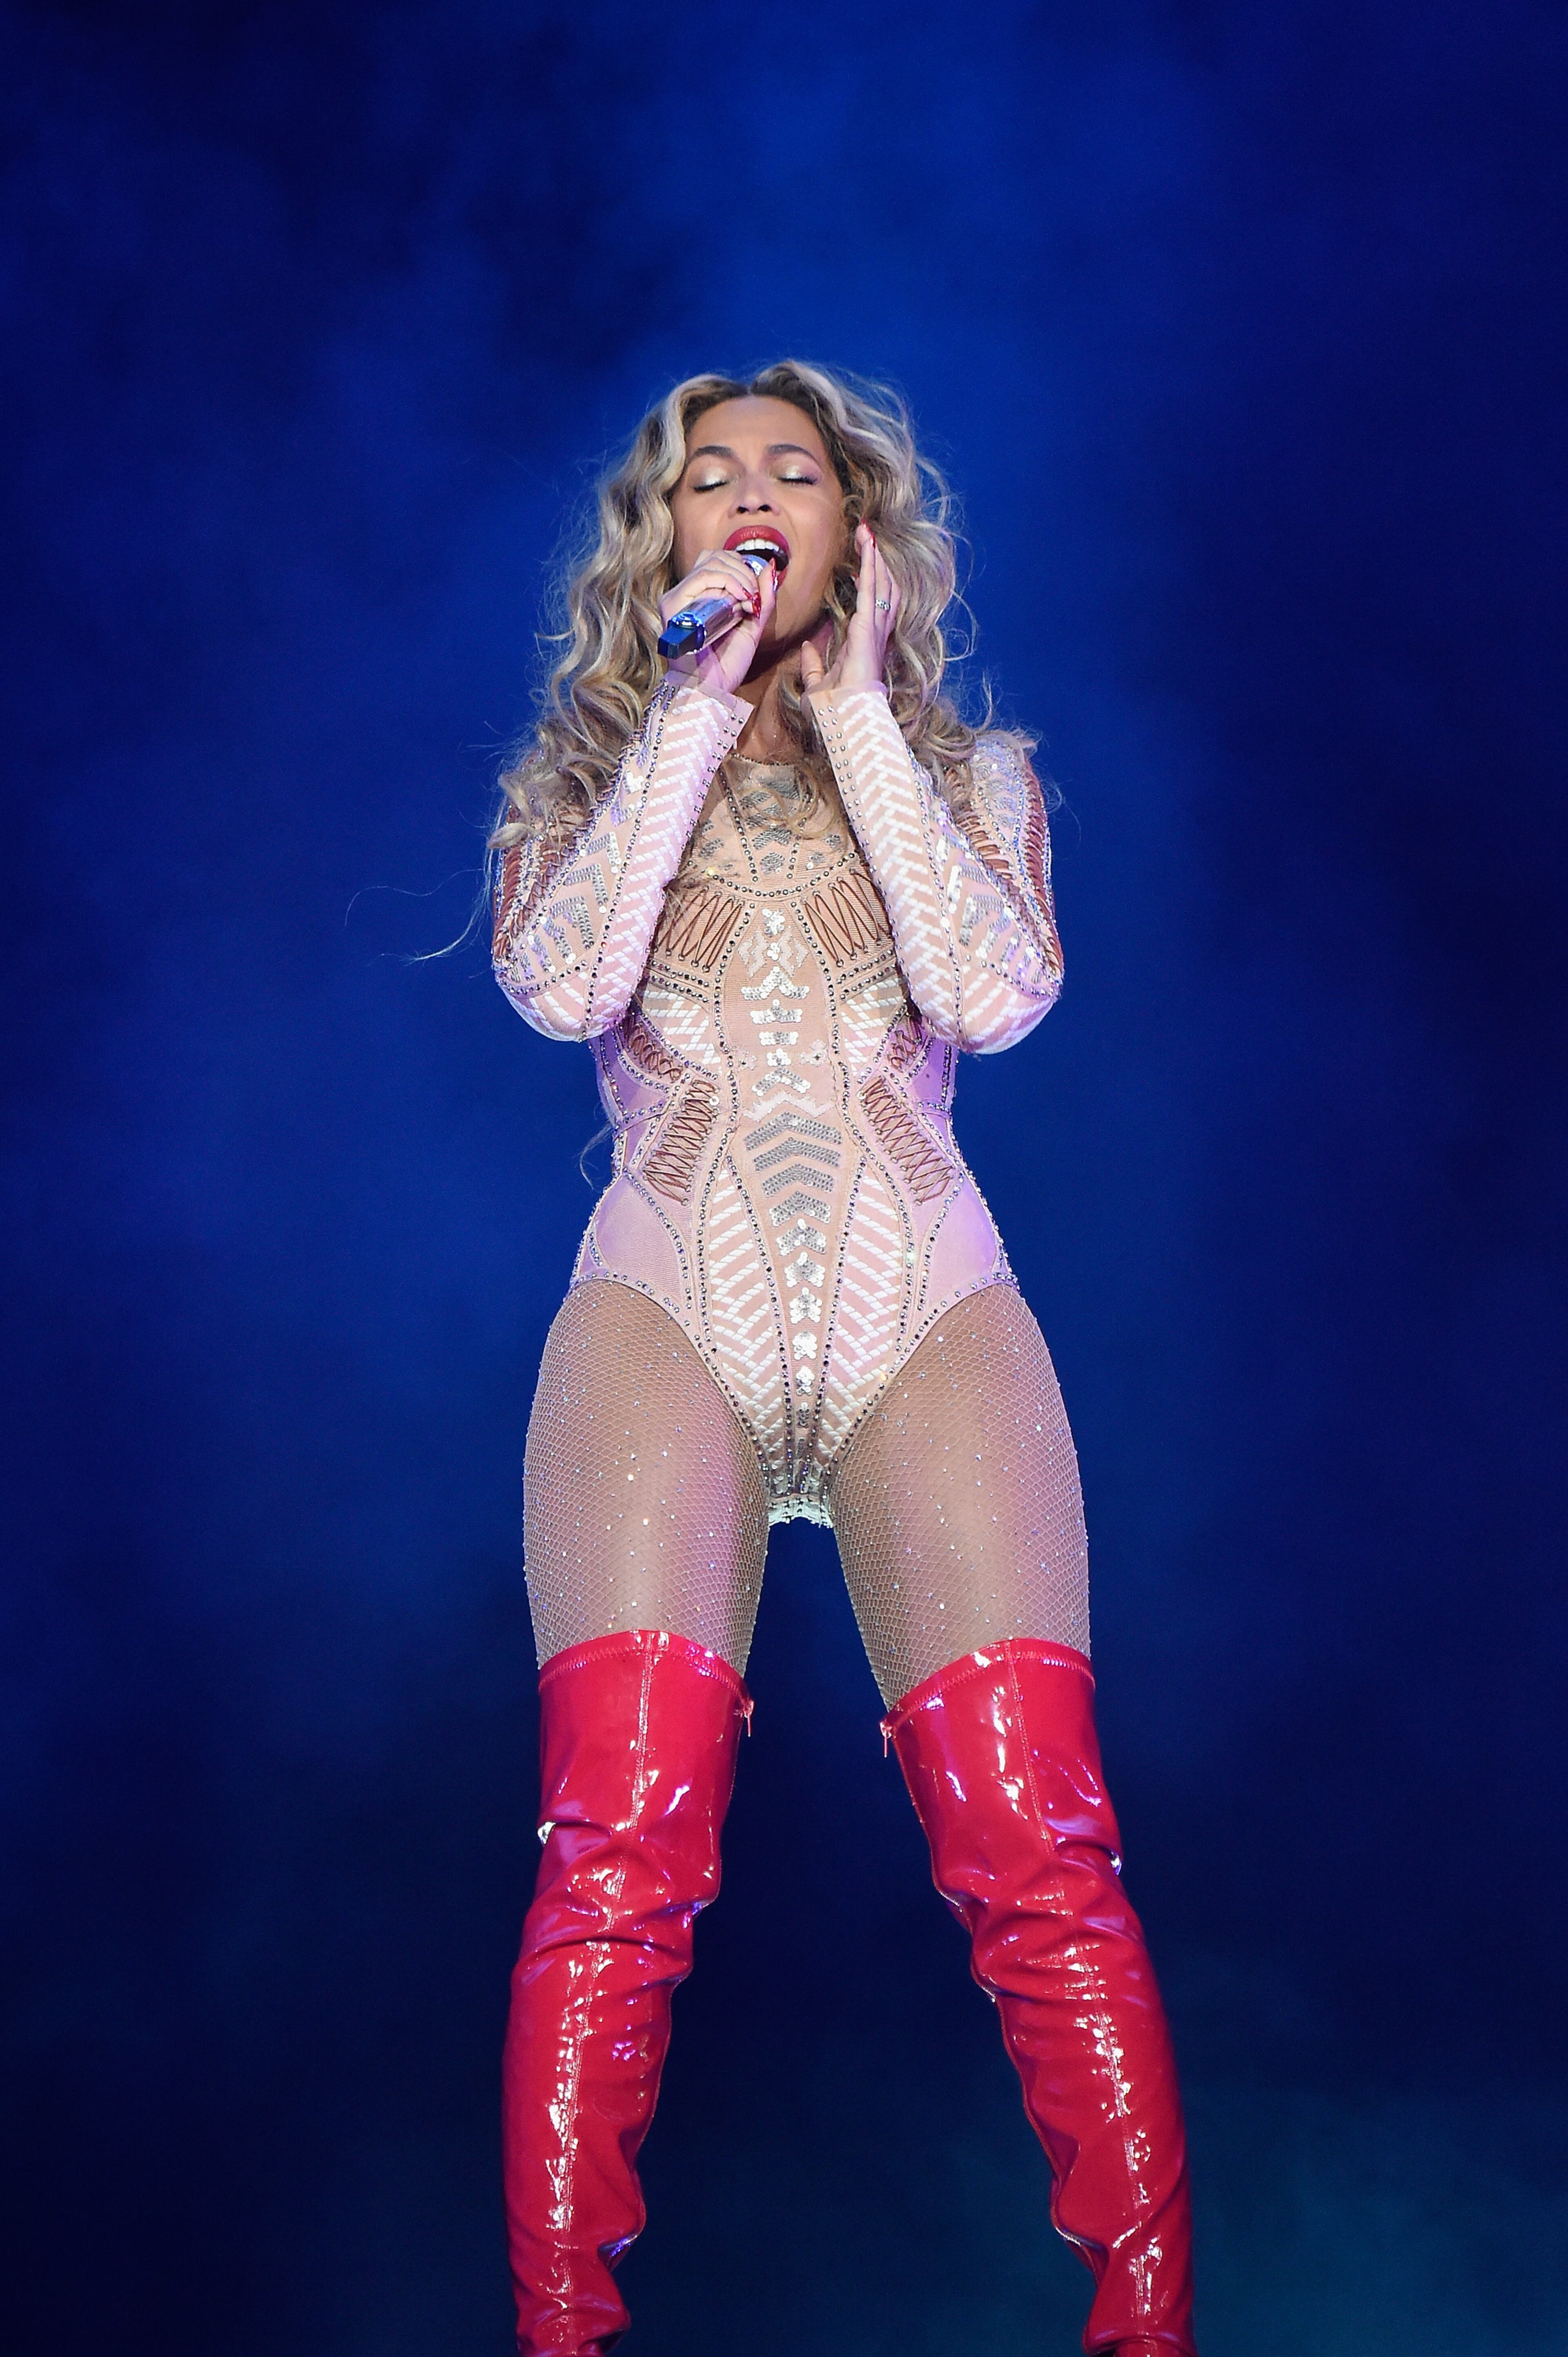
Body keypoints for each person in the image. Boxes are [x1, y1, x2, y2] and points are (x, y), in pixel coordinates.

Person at [490, 361, 1196, 2357]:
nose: (750, 497)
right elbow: (562, 993)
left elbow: (996, 989)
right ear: (666, 543)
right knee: (614, 1851)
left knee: (1040, 1848)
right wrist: (693, 710)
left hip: (920, 1310)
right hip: (672, 1302)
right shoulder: (586, 787)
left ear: (863, 536)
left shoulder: (976, 777)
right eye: (709, 478)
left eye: (794, 471)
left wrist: (864, 703)